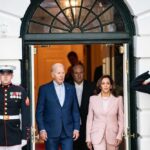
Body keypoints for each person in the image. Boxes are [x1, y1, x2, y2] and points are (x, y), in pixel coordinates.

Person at [36, 63, 80, 150]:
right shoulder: (44, 89)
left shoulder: (71, 88)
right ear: (52, 74)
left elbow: (75, 110)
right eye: (58, 73)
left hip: (68, 131)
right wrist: (42, 129)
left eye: (63, 73)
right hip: (50, 132)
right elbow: (39, 112)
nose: (61, 76)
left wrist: (76, 128)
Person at [86, 75, 124, 150]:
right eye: (103, 83)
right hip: (97, 135)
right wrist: (88, 138)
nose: (105, 85)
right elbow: (89, 120)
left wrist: (119, 135)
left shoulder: (118, 99)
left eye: (108, 83)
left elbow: (121, 119)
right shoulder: (93, 99)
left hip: (113, 136)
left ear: (111, 86)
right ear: (100, 86)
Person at [0, 65, 30, 150]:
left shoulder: (20, 90)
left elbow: (25, 115)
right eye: (2, 74)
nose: (5, 77)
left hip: (15, 135)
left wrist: (25, 136)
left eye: (8, 74)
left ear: (12, 76)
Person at [70, 64, 95, 150]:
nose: (79, 75)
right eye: (76, 73)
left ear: (84, 73)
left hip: (87, 126)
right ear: (72, 74)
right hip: (71, 126)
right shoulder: (66, 87)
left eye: (81, 72)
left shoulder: (92, 86)